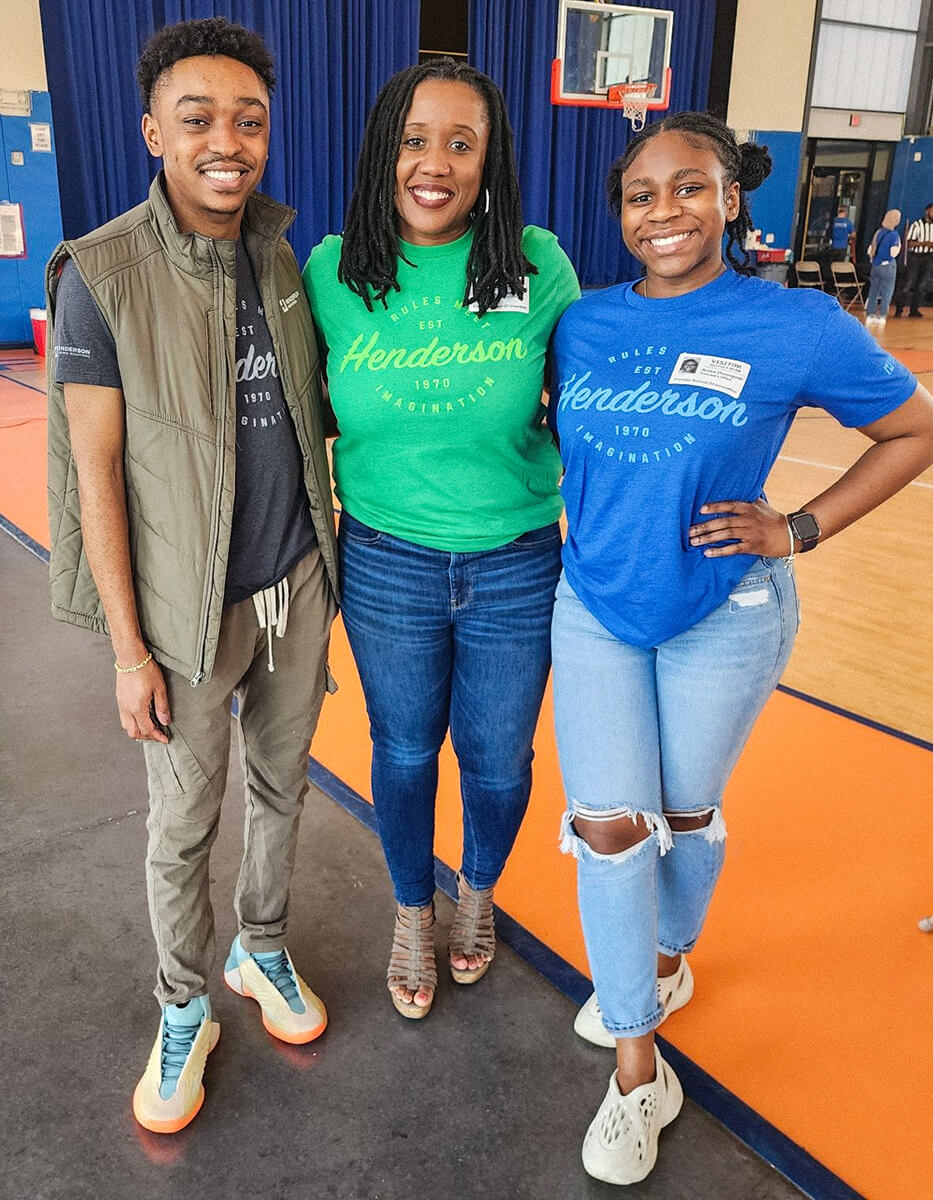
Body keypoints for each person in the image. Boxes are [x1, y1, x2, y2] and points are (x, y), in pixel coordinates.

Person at [549, 112, 933, 1186]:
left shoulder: (794, 324)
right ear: (619, 211)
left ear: (729, 201)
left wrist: (799, 527)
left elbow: (916, 430)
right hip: (596, 605)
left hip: (727, 611)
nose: (663, 211)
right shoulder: (584, 324)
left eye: (689, 189)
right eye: (641, 195)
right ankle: (638, 1066)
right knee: (611, 827)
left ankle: (667, 962)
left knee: (679, 812)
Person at [46, 18, 339, 1134]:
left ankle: (261, 947)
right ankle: (183, 1005)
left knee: (282, 786)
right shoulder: (104, 272)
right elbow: (96, 475)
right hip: (183, 608)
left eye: (250, 119)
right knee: (183, 822)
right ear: (152, 130)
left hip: (294, 584)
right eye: (201, 118)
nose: (230, 140)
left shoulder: (280, 252)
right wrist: (129, 653)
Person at [302, 58, 579, 1020]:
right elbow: (296, 417)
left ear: (488, 158)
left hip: (514, 562)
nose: (436, 163)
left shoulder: (537, 265)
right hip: (386, 562)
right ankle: (412, 908)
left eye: (461, 143)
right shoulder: (334, 272)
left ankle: (478, 894)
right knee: (406, 751)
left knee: (498, 762)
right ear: (384, 152)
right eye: (415, 140)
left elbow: (589, 409)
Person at [893, 201, 933, 317]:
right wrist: (924, 243)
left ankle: (914, 310)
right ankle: (899, 309)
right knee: (908, 284)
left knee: (921, 285)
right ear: (927, 211)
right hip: (916, 257)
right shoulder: (917, 225)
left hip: (929, 257)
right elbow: (909, 243)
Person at [865, 208, 902, 326]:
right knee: (887, 291)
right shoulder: (894, 235)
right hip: (887, 266)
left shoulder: (878, 232)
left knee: (873, 290)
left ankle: (870, 314)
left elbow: (870, 249)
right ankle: (882, 316)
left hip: (875, 265)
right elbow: (893, 253)